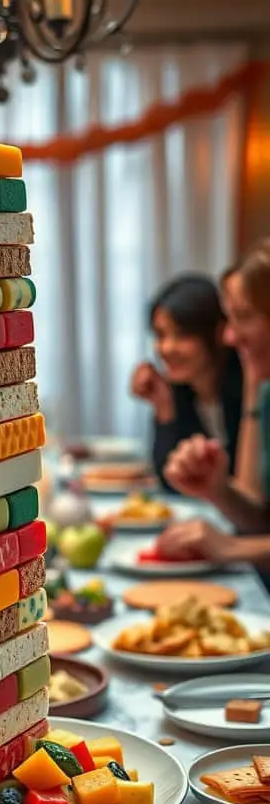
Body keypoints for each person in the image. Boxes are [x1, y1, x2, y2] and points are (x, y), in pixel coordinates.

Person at [157, 238, 270, 566]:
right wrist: (216, 490)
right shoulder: (261, 387)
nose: (229, 337)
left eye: (243, 316)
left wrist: (234, 549)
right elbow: (259, 517)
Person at [130, 274, 243, 491]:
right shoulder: (180, 391)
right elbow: (172, 481)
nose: (167, 348)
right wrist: (163, 405)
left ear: (219, 333)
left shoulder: (247, 386)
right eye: (160, 335)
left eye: (181, 335)